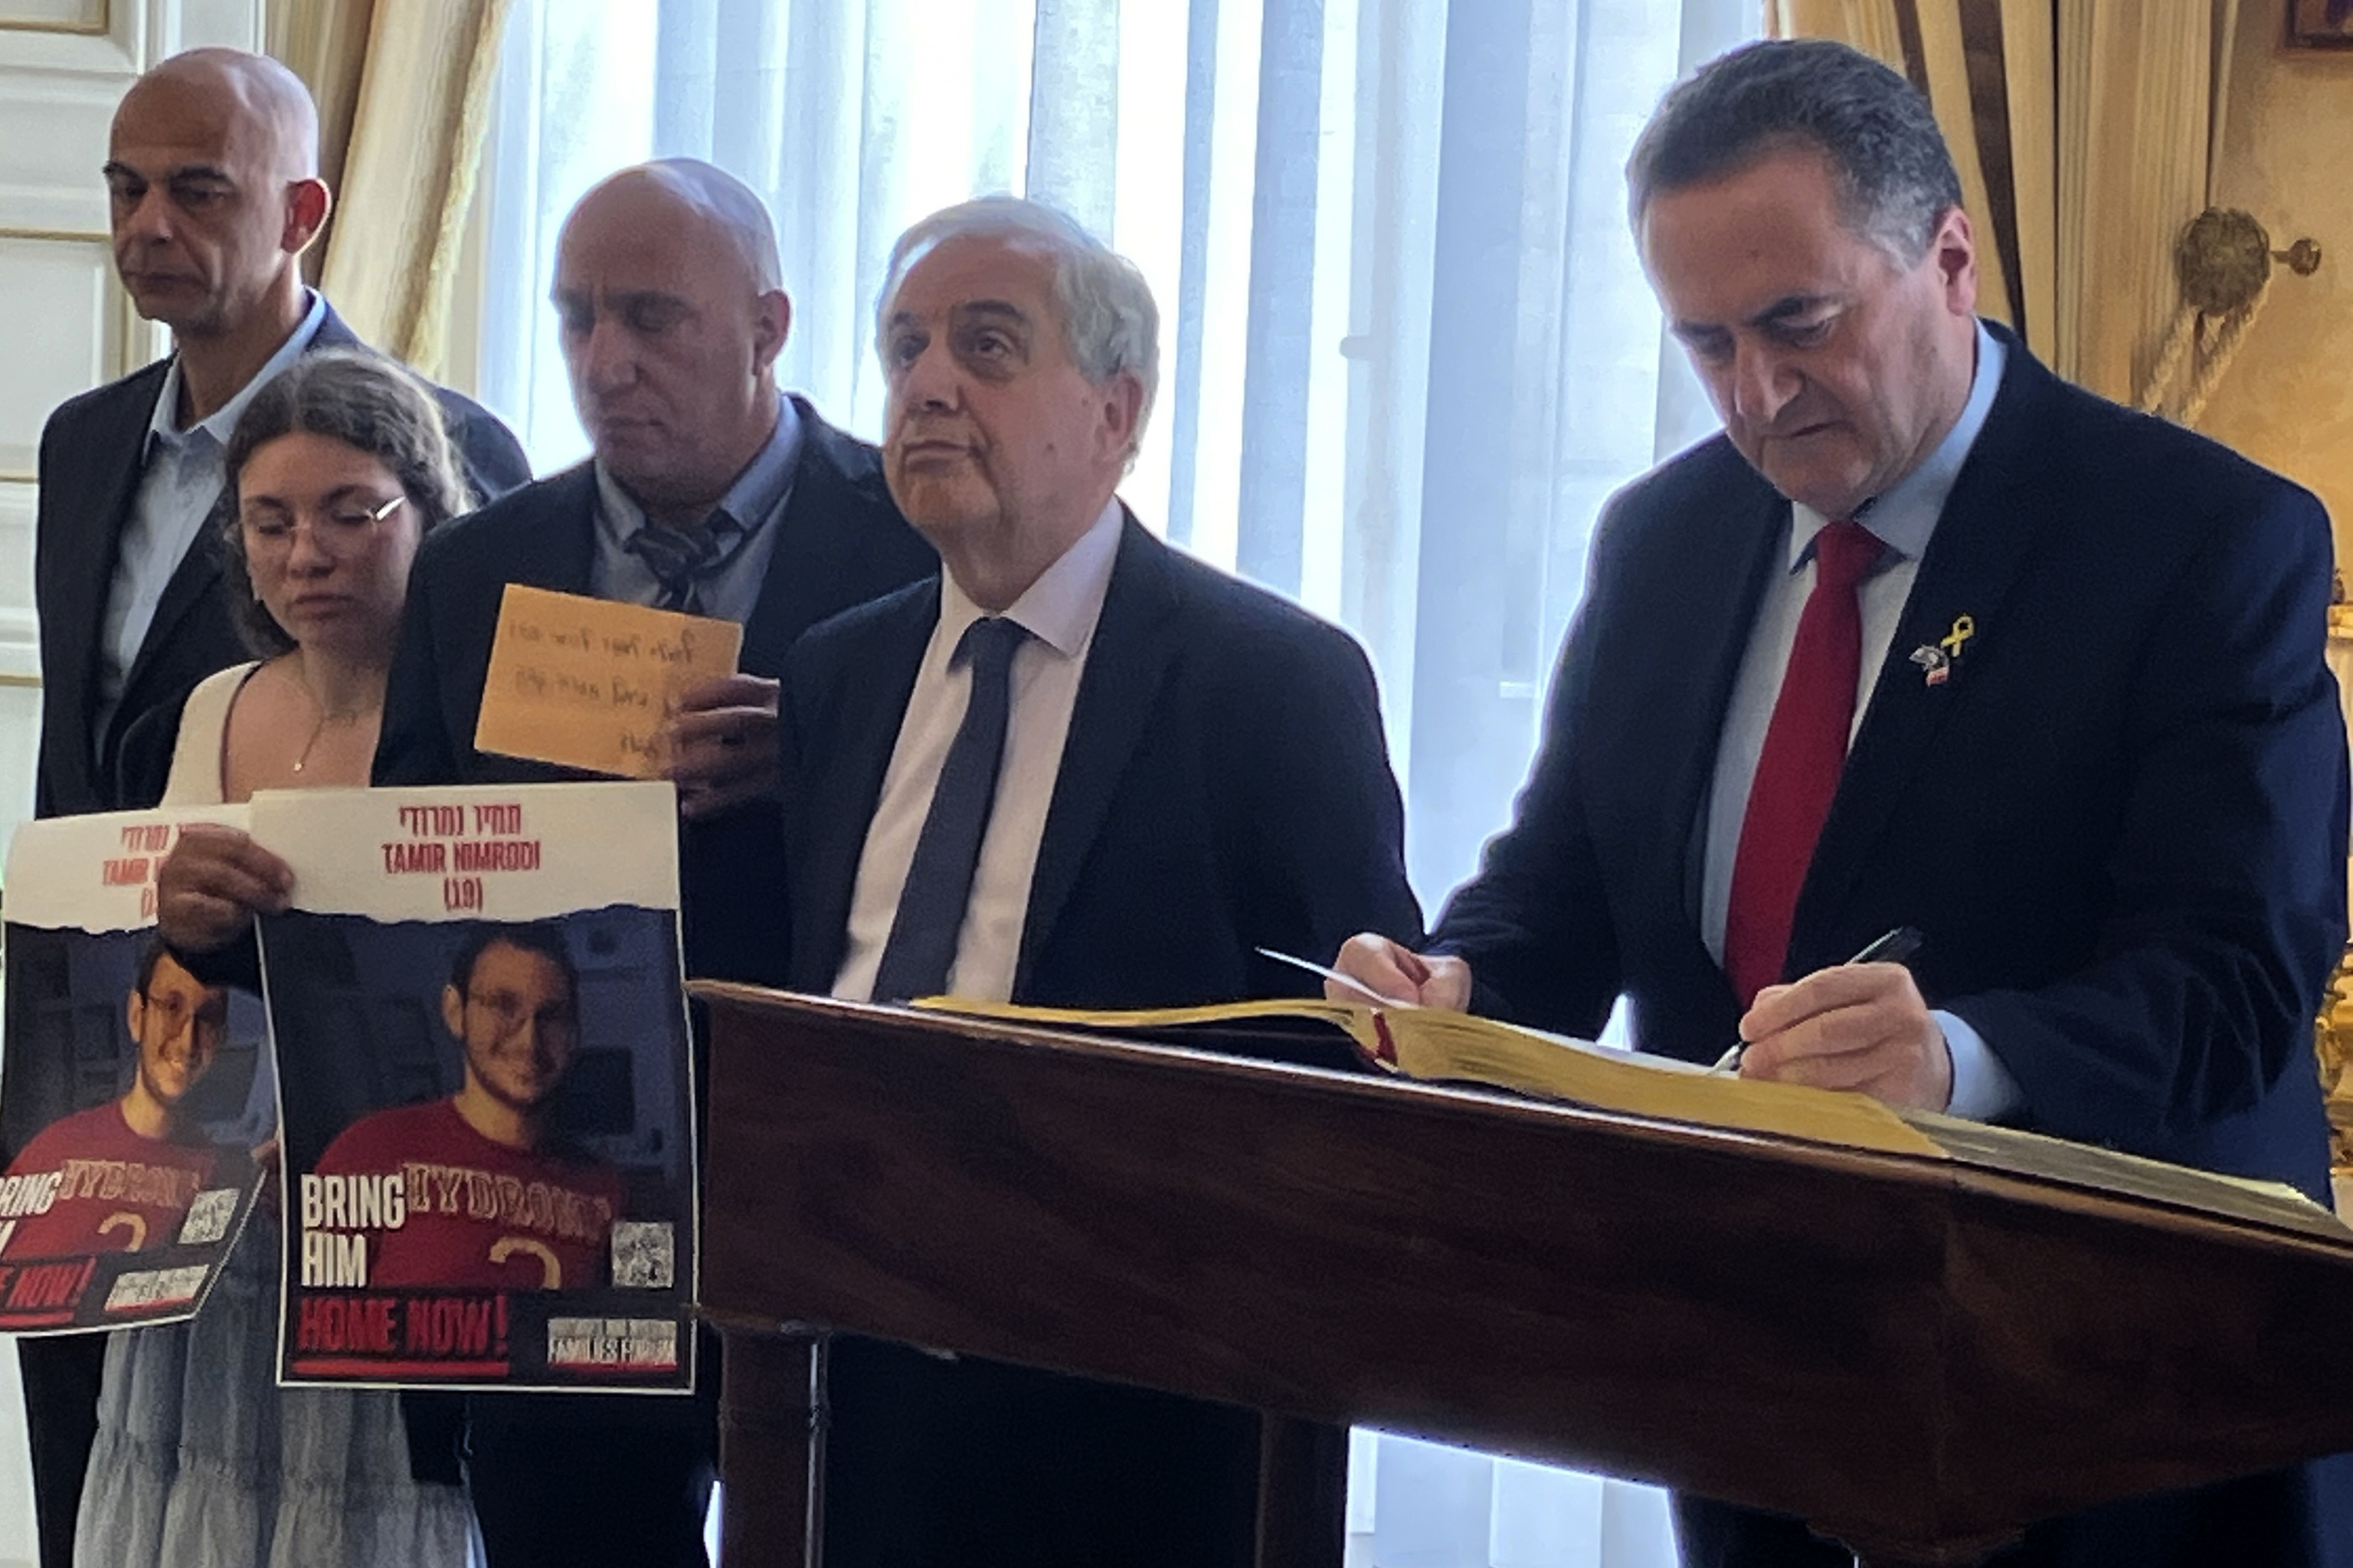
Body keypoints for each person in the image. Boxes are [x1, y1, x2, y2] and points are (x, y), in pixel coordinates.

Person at [1327, 38, 2352, 1568]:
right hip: (1761, 1370)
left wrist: (1957, 1058)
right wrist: (1458, 980)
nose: (1760, 394)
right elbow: (1569, 887)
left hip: (2110, 1415)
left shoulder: (2205, 541)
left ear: (1949, 256)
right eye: (1709, 346)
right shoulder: (1666, 540)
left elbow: (2238, 979)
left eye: (1800, 324)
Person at [161, 156, 934, 1567]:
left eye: (652, 318)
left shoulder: (918, 545)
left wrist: (811, 767)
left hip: (833, 1183)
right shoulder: (482, 564)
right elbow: (401, 875)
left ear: (767, 326)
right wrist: (224, 932)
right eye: (577, 319)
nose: (604, 362)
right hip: (545, 1188)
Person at [775, 195, 1421, 1568]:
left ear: (1116, 410)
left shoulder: (1274, 682)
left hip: (1142, 1399)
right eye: (902, 350)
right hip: (847, 1368)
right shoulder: (836, 672)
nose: (927, 385)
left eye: (987, 346)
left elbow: (1354, 1046)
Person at [27, 53, 527, 1557]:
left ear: (303, 207)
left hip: (372, 1164)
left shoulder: (451, 443)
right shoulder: (79, 438)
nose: (147, 223)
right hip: (122, 1081)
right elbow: (87, 763)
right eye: (124, 187)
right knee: (96, 1485)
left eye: (197, 188)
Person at [83, 349, 482, 1568]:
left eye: (350, 512)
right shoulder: (209, 707)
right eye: (270, 520)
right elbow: (153, 964)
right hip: (211, 1213)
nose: (307, 552)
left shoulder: (474, 723)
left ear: (426, 511)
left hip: (386, 1202)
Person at [309, 922, 622, 1292]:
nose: (529, 1040)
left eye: (551, 1015)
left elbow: (642, 1330)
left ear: (574, 1031)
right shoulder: (368, 1150)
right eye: (504, 1006)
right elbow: (316, 1325)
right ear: (455, 1011)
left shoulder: (609, 1191)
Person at [0, 944, 227, 1265]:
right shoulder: (55, 1147)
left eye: (208, 1017)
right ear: (137, 1016)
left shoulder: (220, 1175)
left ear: (221, 1038)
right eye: (172, 1007)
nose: (187, 1040)